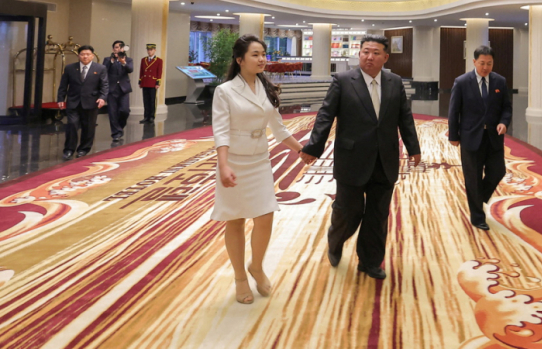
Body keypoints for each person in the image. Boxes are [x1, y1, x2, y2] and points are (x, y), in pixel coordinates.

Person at [300, 34, 421, 280]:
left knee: (378, 215)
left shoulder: (395, 82)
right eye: (366, 51)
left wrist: (413, 147)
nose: (370, 57)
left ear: (385, 57)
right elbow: (326, 115)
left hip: (384, 159)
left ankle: (370, 262)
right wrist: (314, 147)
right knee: (348, 212)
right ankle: (336, 239)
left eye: (376, 53)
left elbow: (404, 117)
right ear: (359, 54)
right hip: (352, 159)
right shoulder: (343, 81)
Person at [211, 35, 307, 304]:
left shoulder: (265, 88)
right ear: (240, 60)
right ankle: (240, 277)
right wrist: (223, 164)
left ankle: (256, 266)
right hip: (234, 161)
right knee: (236, 219)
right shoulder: (225, 91)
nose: (262, 59)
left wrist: (301, 150)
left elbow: (279, 128)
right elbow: (221, 131)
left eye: (263, 54)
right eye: (255, 54)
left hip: (260, 161)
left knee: (265, 216)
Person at [448, 45, 512, 231]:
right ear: (474, 62)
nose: (485, 67)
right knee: (473, 178)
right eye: (482, 63)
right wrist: (453, 135)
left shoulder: (500, 81)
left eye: (489, 63)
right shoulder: (462, 82)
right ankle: (477, 217)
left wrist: (504, 122)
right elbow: (454, 111)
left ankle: (477, 197)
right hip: (470, 137)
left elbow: (506, 107)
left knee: (498, 171)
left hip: (493, 137)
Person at [56, 45, 108, 160]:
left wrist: (102, 98)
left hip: (91, 102)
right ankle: (69, 150)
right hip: (73, 101)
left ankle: (83, 149)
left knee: (88, 127)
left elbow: (104, 85)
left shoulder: (100, 68)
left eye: (88, 54)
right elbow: (63, 85)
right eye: (82, 54)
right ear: (79, 56)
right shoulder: (70, 68)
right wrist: (60, 99)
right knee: (72, 125)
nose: (85, 56)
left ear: (92, 56)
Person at [104, 40, 133, 143]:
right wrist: (112, 61)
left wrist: (123, 62)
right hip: (111, 89)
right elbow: (104, 70)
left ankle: (119, 127)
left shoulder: (128, 59)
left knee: (125, 111)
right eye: (116, 47)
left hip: (123, 89)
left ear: (123, 49)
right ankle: (116, 134)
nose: (118, 49)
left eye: (120, 47)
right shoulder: (107, 59)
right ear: (113, 49)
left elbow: (130, 69)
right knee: (112, 112)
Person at [138, 43, 163, 124]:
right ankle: (146, 116)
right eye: (148, 50)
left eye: (151, 50)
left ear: (155, 50)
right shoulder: (143, 60)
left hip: (152, 82)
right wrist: (140, 80)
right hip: (145, 82)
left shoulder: (158, 60)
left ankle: (152, 116)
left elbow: (159, 72)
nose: (149, 51)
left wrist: (158, 82)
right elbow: (141, 71)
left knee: (152, 100)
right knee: (145, 100)